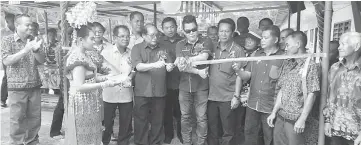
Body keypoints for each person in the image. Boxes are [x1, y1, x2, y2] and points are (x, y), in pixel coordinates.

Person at [63, 23, 121, 145]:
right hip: (81, 104)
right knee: (82, 136)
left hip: (91, 102)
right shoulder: (77, 57)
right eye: (91, 38)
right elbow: (79, 86)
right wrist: (104, 85)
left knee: (93, 134)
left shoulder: (86, 55)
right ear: (80, 40)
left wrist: (106, 78)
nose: (94, 41)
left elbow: (91, 78)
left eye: (95, 38)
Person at [267, 31, 320, 145]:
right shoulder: (288, 63)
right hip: (281, 117)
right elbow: (282, 89)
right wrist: (274, 112)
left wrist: (302, 119)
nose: (285, 48)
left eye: (287, 45)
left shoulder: (310, 66)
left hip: (295, 119)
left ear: (298, 44)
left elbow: (312, 94)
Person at [1, 14, 46, 145]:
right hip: (16, 88)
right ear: (17, 25)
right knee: (17, 119)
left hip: (34, 86)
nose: (30, 27)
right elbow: (6, 61)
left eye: (31, 24)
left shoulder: (34, 39)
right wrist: (25, 50)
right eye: (27, 24)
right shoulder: (7, 40)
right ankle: (16, 143)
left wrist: (37, 50)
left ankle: (32, 141)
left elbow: (42, 60)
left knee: (35, 118)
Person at [239, 25, 284, 145]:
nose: (262, 40)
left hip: (271, 105)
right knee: (249, 133)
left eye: (265, 38)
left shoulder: (284, 57)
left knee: (269, 136)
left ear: (275, 40)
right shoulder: (256, 55)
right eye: (262, 37)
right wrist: (238, 71)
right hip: (252, 103)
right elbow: (247, 75)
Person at [131, 23, 174, 145]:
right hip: (142, 91)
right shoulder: (137, 48)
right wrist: (154, 65)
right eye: (152, 35)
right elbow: (138, 66)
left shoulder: (164, 48)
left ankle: (156, 142)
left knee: (158, 120)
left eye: (157, 34)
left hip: (159, 91)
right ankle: (141, 142)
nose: (155, 37)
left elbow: (169, 65)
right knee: (141, 120)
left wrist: (170, 66)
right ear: (144, 35)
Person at [174, 15, 213, 145]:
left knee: (201, 118)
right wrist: (197, 70)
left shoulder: (206, 40)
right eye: (188, 30)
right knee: (185, 118)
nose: (191, 33)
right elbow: (180, 67)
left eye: (193, 29)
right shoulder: (179, 44)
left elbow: (204, 56)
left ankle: (201, 143)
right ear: (183, 31)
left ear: (197, 27)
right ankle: (187, 143)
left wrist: (187, 60)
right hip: (184, 87)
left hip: (201, 86)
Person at [207, 18, 246, 145]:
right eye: (221, 31)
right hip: (211, 96)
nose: (223, 34)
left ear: (232, 32)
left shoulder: (238, 50)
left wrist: (236, 96)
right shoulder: (212, 48)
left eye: (227, 31)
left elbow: (239, 74)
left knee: (228, 131)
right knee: (212, 128)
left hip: (228, 97)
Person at [323, 32, 361, 145]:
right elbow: (329, 97)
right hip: (336, 128)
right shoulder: (335, 68)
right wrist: (327, 121)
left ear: (357, 46)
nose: (339, 47)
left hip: (357, 131)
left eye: (343, 44)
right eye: (340, 44)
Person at [101, 25, 135, 145]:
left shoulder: (132, 53)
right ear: (115, 37)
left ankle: (123, 142)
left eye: (127, 36)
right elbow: (101, 71)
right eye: (122, 36)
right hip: (109, 94)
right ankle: (104, 142)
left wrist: (130, 78)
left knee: (125, 122)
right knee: (107, 123)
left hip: (126, 94)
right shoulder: (105, 53)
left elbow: (134, 70)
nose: (125, 39)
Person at [159, 17, 184, 144]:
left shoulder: (183, 41)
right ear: (162, 29)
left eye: (172, 27)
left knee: (181, 112)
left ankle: (181, 135)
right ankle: (168, 136)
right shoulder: (159, 42)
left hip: (182, 82)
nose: (170, 30)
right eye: (167, 28)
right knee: (167, 111)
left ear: (176, 27)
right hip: (165, 83)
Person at [49, 20, 73, 138]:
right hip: (66, 80)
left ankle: (60, 130)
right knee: (62, 105)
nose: (70, 28)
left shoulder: (72, 41)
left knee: (65, 105)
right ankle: (55, 131)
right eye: (67, 26)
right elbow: (62, 65)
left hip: (72, 79)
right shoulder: (61, 46)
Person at [1, 12, 15, 108]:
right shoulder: (2, 32)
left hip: (17, 56)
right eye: (10, 22)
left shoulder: (17, 30)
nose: (12, 23)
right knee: (7, 77)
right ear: (7, 22)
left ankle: (14, 98)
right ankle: (2, 99)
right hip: (7, 57)